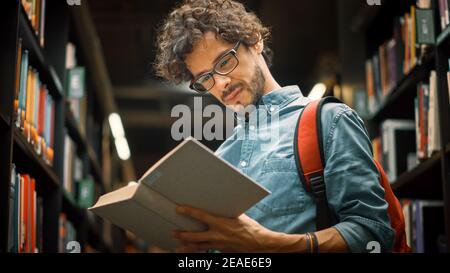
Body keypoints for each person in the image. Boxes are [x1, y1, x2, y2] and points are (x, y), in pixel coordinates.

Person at [153, 0, 395, 253]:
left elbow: (374, 236)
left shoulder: (329, 121)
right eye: (205, 78)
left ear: (255, 40)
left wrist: (269, 244)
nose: (221, 83)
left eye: (224, 62)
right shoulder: (221, 158)